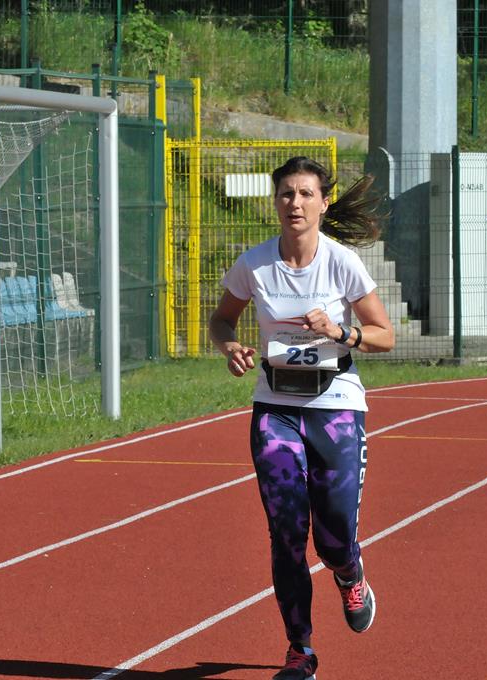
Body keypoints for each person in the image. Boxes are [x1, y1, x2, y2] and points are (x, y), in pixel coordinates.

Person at [209, 156, 395, 680]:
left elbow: (384, 335)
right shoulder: (254, 264)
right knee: (286, 532)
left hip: (336, 408)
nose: (295, 203)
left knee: (333, 534)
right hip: (276, 409)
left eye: (306, 194)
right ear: (276, 202)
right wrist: (230, 347)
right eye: (286, 194)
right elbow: (222, 319)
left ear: (323, 203)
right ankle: (300, 651)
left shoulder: (342, 263)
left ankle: (349, 572)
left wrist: (341, 333)